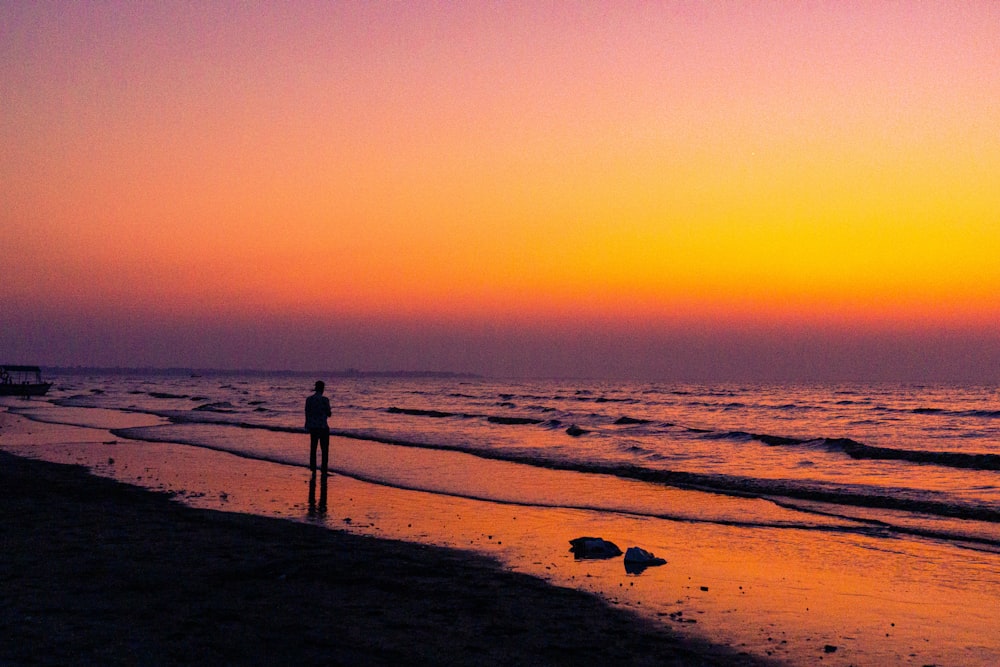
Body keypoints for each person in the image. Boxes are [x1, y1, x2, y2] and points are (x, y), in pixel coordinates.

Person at [304, 380, 332, 475]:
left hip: (313, 427)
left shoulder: (309, 399)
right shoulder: (325, 400)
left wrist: (307, 424)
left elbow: (307, 413)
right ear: (322, 389)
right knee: (324, 450)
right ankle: (324, 469)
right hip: (323, 427)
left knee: (313, 448)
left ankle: (313, 468)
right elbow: (329, 413)